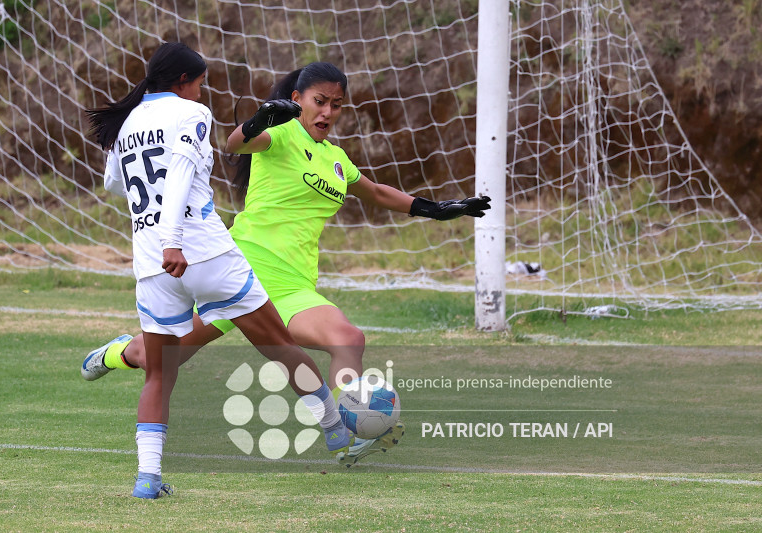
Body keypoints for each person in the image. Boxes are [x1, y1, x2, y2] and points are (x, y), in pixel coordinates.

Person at [83, 61, 490, 467]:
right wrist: (259, 119)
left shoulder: (335, 159)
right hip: (240, 271)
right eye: (320, 101)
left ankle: (350, 431)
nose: (327, 112)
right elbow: (235, 143)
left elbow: (378, 193)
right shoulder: (278, 134)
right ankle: (117, 352)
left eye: (336, 104)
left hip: (293, 286)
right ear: (297, 100)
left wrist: (435, 210)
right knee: (155, 358)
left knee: (349, 339)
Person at [85, 46, 351, 499]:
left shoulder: (128, 123)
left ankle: (147, 479)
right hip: (202, 253)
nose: (202, 91)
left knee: (160, 373)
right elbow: (182, 172)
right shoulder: (192, 112)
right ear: (185, 80)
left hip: (151, 263)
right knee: (279, 345)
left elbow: (115, 182)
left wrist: (158, 235)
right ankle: (336, 428)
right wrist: (174, 238)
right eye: (202, 83)